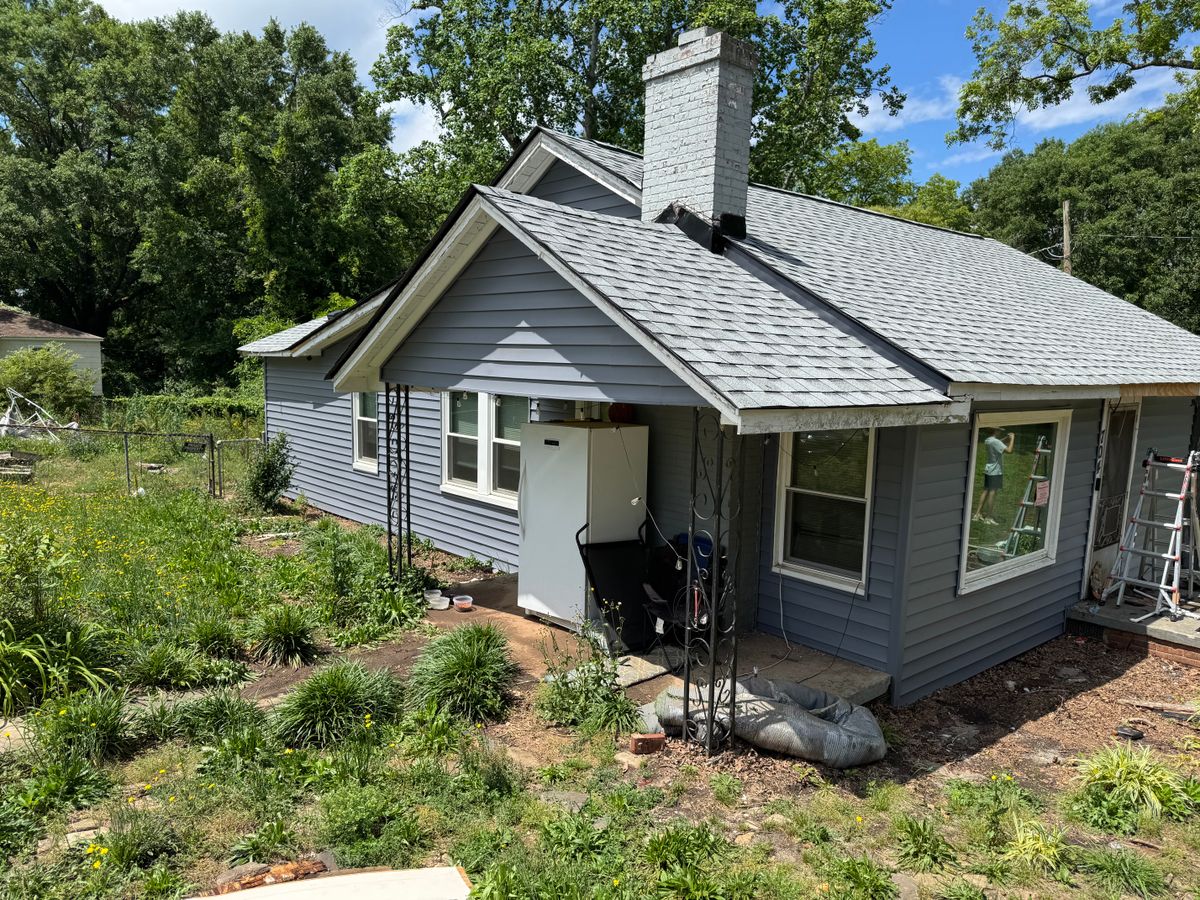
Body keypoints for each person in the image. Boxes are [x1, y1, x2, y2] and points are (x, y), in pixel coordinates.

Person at [973, 427, 1015, 525]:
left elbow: (997, 442)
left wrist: (1005, 439)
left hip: (989, 469)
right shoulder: (995, 442)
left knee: (986, 490)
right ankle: (988, 517)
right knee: (992, 493)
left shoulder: (988, 440)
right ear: (995, 431)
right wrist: (1012, 438)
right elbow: (1009, 450)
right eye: (999, 430)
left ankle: (977, 514)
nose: (1000, 432)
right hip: (996, 471)